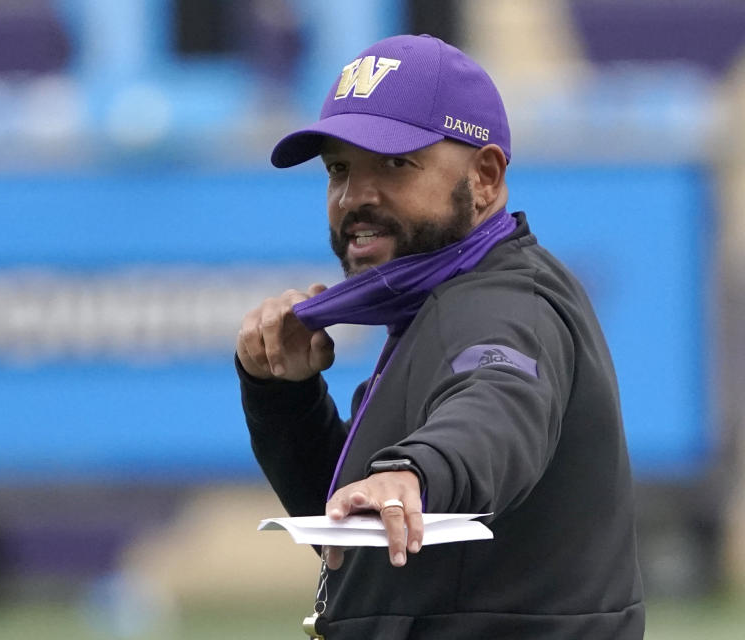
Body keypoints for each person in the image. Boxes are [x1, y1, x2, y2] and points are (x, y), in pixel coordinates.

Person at [235, 34, 644, 638]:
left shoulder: (506, 304)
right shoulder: (436, 304)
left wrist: (416, 471)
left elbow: (499, 399)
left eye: (395, 164)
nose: (355, 197)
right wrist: (286, 394)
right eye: (339, 169)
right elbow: (363, 545)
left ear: (485, 177)